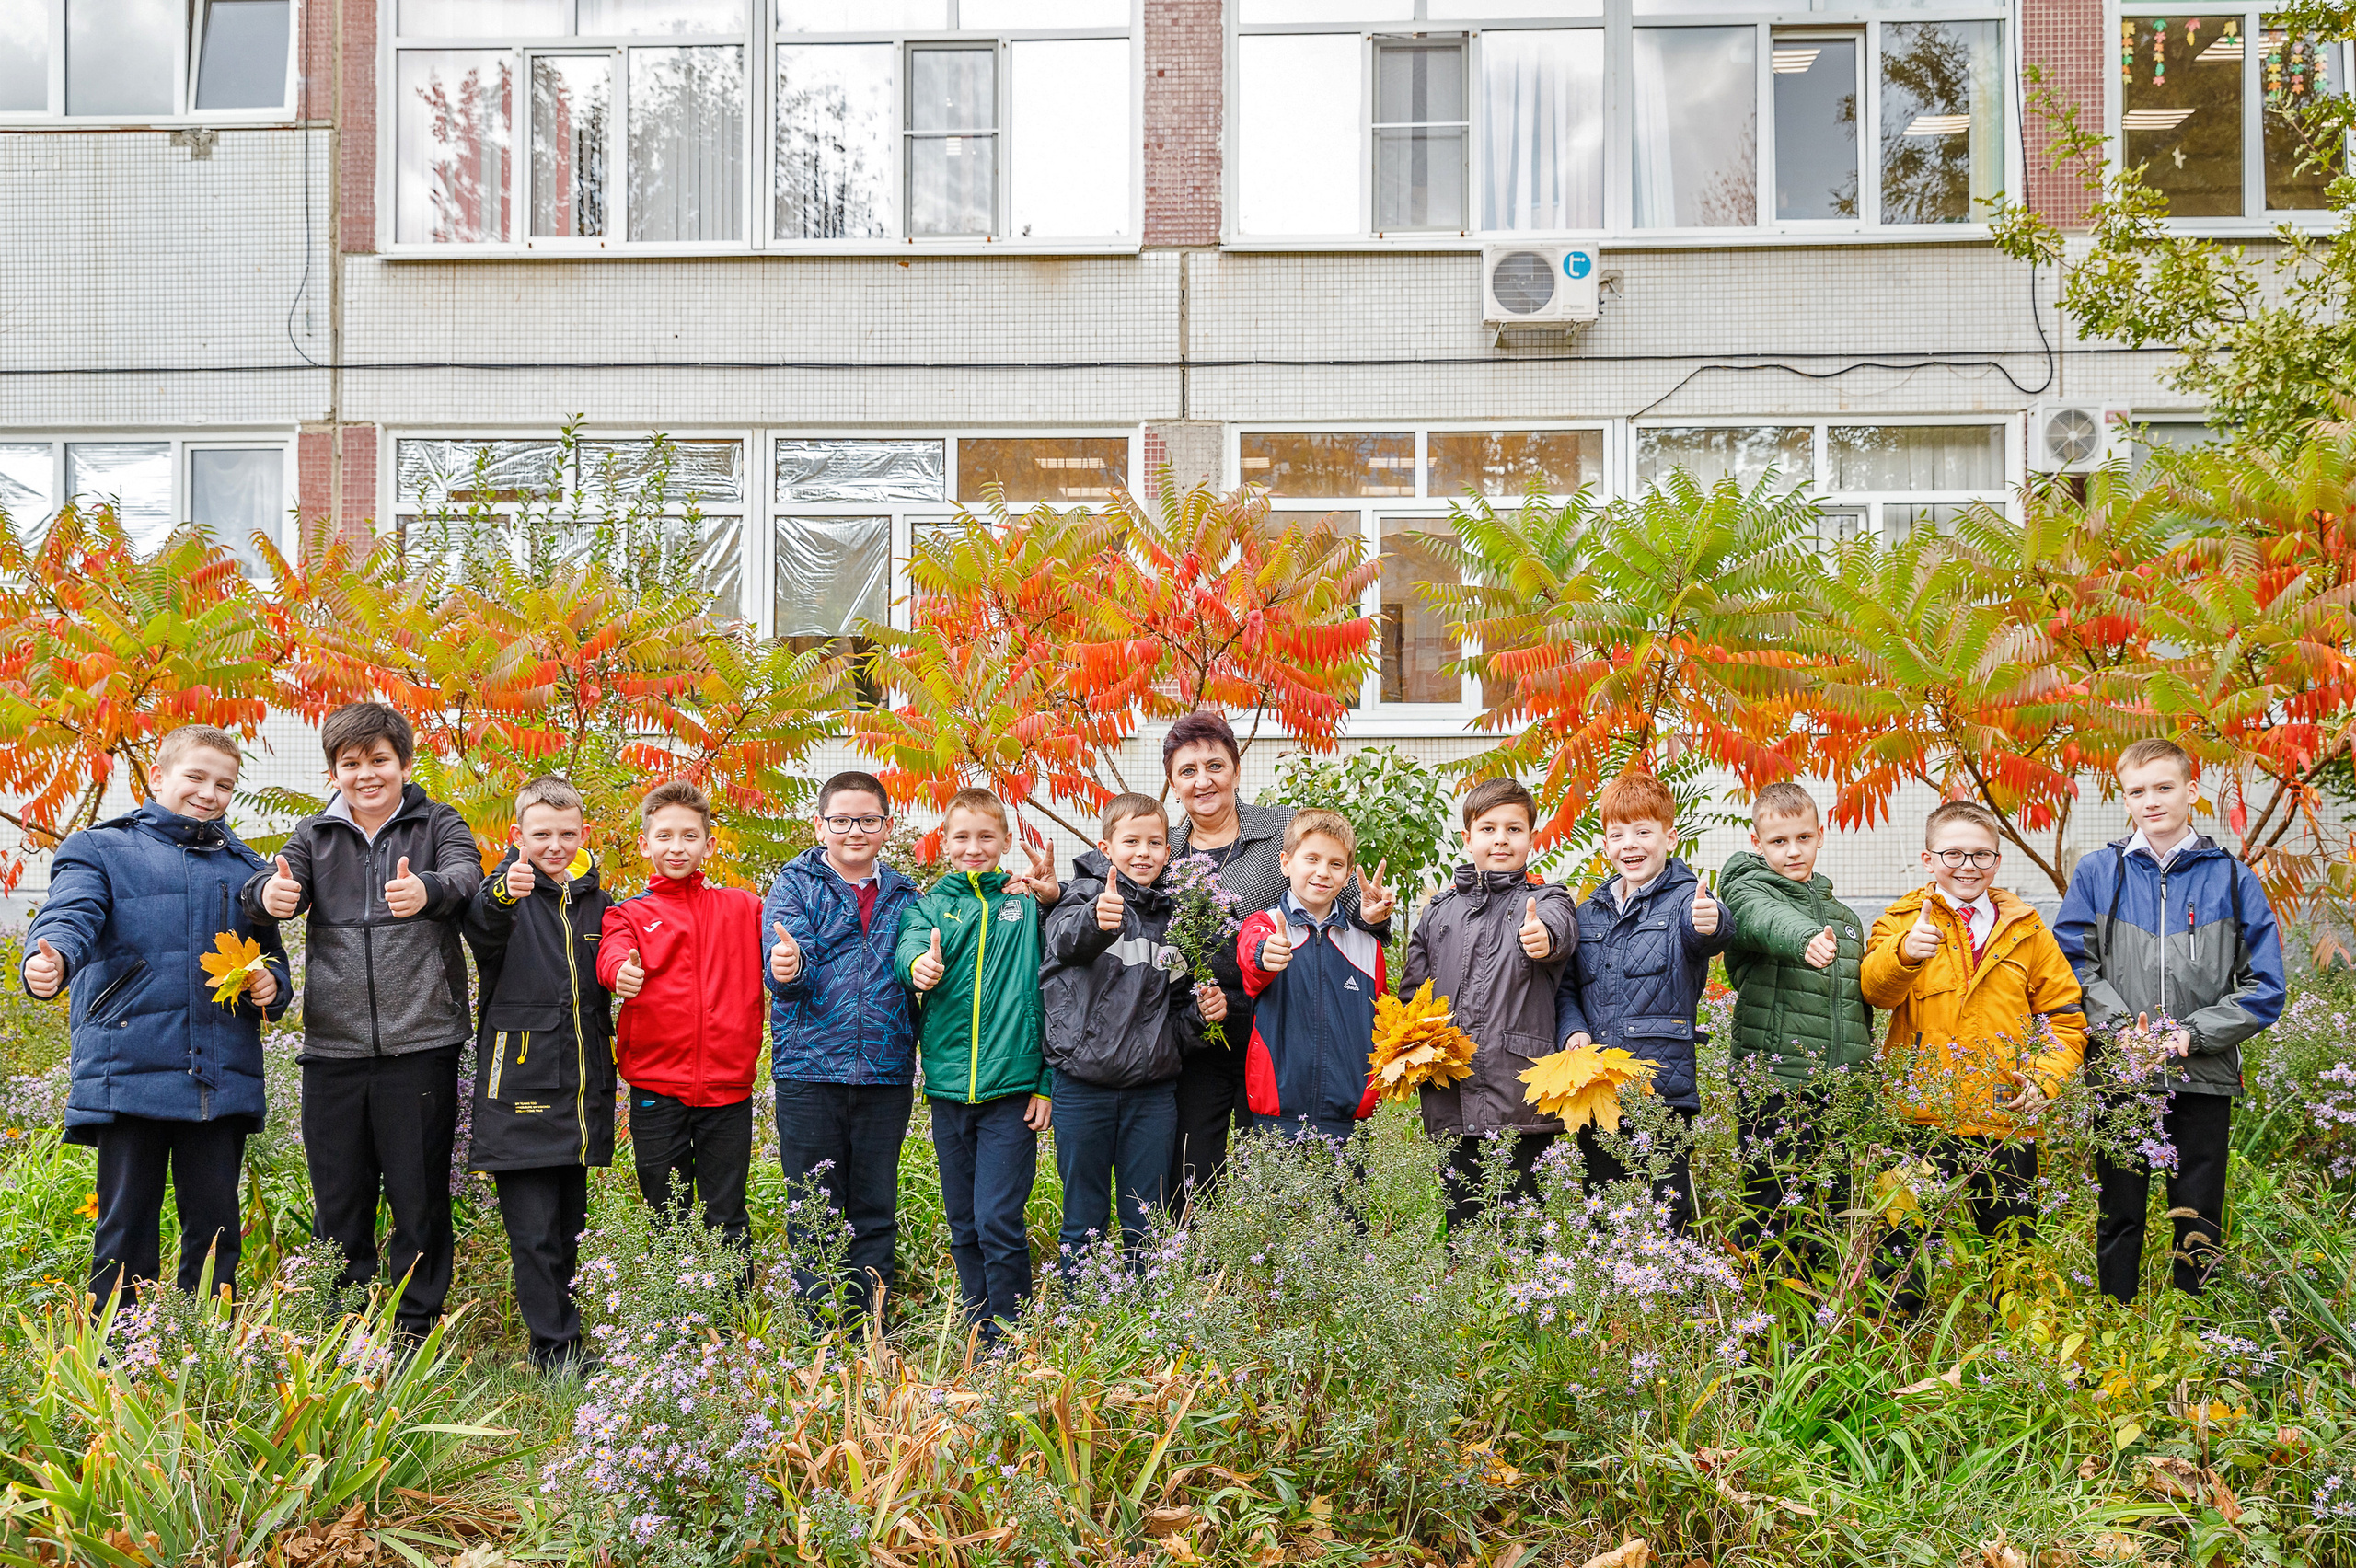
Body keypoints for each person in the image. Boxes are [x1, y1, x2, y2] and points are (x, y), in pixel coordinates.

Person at [24, 724, 291, 1309]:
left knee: (217, 1232)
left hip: (219, 1074)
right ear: (159, 776)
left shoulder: (247, 868)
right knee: (125, 1232)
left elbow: (269, 957)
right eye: (195, 777)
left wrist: (272, 985)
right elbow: (68, 916)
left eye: (224, 784)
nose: (208, 792)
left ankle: (208, 1353)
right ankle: (117, 1358)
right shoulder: (99, 849)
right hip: (131, 1066)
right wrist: (52, 962)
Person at [246, 702, 479, 1339]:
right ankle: (338, 1328)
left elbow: (467, 874)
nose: (366, 774)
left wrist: (427, 891)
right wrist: (269, 895)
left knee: (419, 1198)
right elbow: (262, 887)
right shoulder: (315, 834)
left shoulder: (438, 822)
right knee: (340, 1199)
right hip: (333, 1050)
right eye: (351, 763)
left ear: (404, 762)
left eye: (379, 760)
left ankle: (412, 1331)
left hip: (422, 1043)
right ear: (334, 770)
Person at [2057, 738, 2284, 1303]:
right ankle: (2117, 1326)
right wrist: (2120, 1031)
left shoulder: (2232, 878)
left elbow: (2265, 986)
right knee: (2120, 1213)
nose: (2152, 801)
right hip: (2121, 1073)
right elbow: (2072, 964)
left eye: (2164, 787)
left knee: (2200, 1217)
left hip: (2201, 1075)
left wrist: (2192, 1034)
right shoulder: (2098, 872)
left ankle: (2197, 1336)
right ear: (2124, 798)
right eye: (2138, 791)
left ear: (2191, 791)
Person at [1863, 799, 2086, 1315]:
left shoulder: (2028, 930)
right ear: (1927, 859)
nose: (1968, 866)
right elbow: (1874, 991)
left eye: (1981, 856)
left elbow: (2064, 1017)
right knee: (1901, 1254)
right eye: (1953, 854)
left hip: (2004, 1117)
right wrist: (1904, 956)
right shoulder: (1900, 921)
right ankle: (1894, 1360)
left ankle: (2008, 1366)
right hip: (1918, 1116)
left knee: (2012, 1253)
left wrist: (2042, 1080)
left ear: (1998, 861)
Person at [1162, 711, 1391, 1199]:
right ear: (1172, 781)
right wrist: (1056, 898)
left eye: (1215, 766)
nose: (1203, 781)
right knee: (1193, 1164)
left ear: (1237, 770)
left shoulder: (1282, 832)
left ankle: (1272, 1268)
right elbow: (1122, 878)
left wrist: (1374, 917)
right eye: (1188, 771)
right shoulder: (1166, 855)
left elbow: (1346, 908)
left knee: (1273, 1169)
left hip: (1274, 1024)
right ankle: (1197, 1270)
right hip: (1199, 1027)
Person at [462, 775, 615, 1375]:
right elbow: (482, 924)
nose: (554, 844)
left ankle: (568, 1342)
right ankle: (554, 1352)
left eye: (566, 833)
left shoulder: (599, 902)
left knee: (570, 1231)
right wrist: (504, 892)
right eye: (541, 834)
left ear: (582, 834)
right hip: (518, 1092)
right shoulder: (503, 891)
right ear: (517, 835)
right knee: (533, 1234)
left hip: (578, 1093)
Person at [895, 788, 1058, 1341]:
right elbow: (909, 948)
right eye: (961, 837)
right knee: (963, 1220)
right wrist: (920, 964)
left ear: (1006, 842)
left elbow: (1051, 996)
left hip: (1012, 1090)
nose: (973, 847)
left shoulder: (1025, 904)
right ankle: (976, 1319)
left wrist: (1045, 1081)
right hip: (947, 1087)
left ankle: (1011, 1330)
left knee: (997, 1218)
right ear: (944, 842)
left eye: (986, 836)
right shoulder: (928, 905)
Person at [1039, 793, 1224, 1268]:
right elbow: (1065, 940)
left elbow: (1177, 1014)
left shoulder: (1179, 919)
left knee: (1147, 1216)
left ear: (1169, 852)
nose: (1143, 852)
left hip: (1152, 1094)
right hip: (1083, 1087)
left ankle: (1141, 1323)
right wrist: (1097, 923)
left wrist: (1202, 1017)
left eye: (1155, 843)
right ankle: (1081, 1320)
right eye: (1131, 842)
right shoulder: (1079, 897)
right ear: (1106, 847)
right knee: (1084, 1215)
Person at [763, 770, 923, 1318]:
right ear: (821, 824)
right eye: (841, 820)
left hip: (886, 1070)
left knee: (875, 1204)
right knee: (814, 1206)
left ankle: (870, 1326)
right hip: (809, 1070)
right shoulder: (793, 885)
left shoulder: (907, 894)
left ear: (886, 825)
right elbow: (786, 961)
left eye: (868, 820)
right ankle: (823, 1333)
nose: (855, 830)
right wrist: (788, 966)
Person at [1551, 773, 1732, 1236]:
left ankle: (1676, 1303)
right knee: (1604, 1211)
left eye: (1643, 832)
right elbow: (1567, 987)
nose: (1630, 845)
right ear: (1605, 843)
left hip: (1661, 1089)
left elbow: (1707, 931)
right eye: (1617, 834)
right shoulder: (1589, 910)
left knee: (1667, 1214)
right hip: (1598, 1086)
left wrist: (1711, 920)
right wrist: (1573, 1030)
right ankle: (1611, 1307)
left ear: (1669, 837)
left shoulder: (1685, 900)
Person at [598, 780, 765, 1266]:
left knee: (727, 1212)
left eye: (690, 836)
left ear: (709, 845)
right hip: (656, 1088)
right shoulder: (629, 914)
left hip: (729, 1088)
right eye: (665, 836)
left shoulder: (743, 907)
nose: (677, 847)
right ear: (645, 843)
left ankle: (734, 1323)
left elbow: (788, 935)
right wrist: (619, 973)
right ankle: (673, 1324)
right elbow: (612, 957)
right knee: (665, 1212)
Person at [1400, 778, 1576, 1231]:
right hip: (1450, 1093)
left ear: (1532, 839)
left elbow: (1558, 931)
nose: (1501, 839)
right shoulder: (1439, 911)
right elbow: (1412, 995)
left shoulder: (1547, 899)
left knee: (1525, 1225)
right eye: (1489, 828)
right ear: (1468, 837)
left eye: (1514, 829)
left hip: (1519, 1093)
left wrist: (1544, 937)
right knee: (1463, 1221)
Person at [1718, 780, 1871, 1274]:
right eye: (1779, 841)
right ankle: (1758, 1327)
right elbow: (1764, 919)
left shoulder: (1845, 919)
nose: (1792, 851)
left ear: (1820, 835)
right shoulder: (1745, 891)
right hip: (1775, 1083)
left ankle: (1824, 1323)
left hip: (1840, 1086)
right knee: (1769, 1208)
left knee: (1833, 1209)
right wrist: (1805, 938)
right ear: (1758, 844)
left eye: (1802, 838)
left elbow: (1857, 1005)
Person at [1236, 809, 1391, 1143]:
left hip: (1348, 1119)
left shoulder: (1367, 945)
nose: (1322, 872)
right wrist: (1266, 954)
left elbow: (1382, 1023)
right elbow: (1251, 960)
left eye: (1335, 864)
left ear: (1348, 874)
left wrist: (1370, 1093)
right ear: (1286, 862)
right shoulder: (1265, 924)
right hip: (1277, 1114)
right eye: (1312, 859)